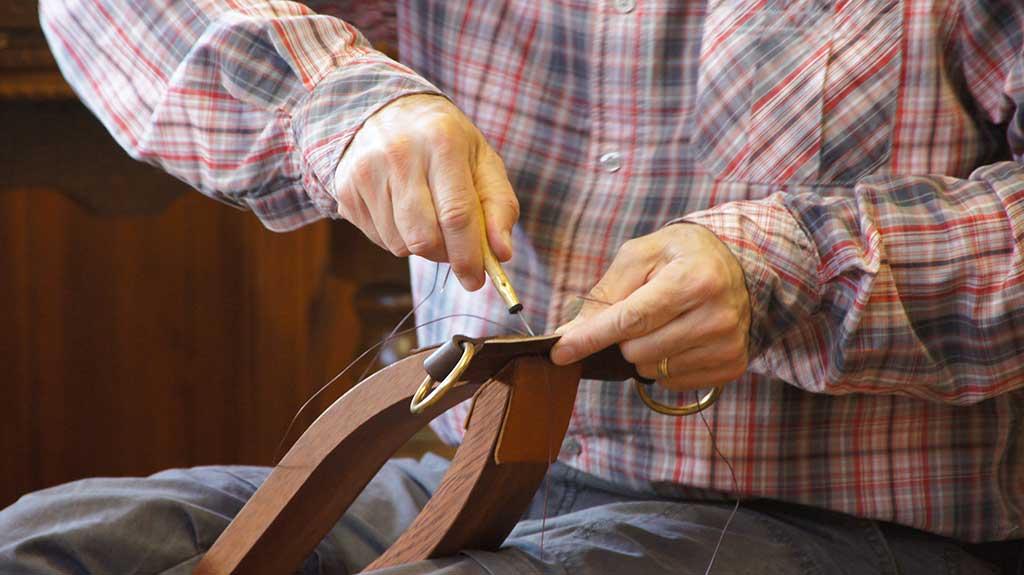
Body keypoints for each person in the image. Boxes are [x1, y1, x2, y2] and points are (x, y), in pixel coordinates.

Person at [2, 0, 1022, 573]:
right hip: (471, 483)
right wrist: (340, 109)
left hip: (853, 530)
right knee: (46, 547)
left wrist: (792, 269)